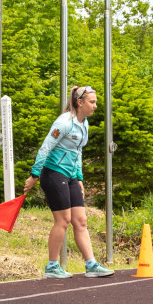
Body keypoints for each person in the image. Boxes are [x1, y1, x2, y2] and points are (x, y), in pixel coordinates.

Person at [23, 85, 114, 279]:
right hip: (53, 174)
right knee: (63, 221)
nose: (95, 106)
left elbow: (77, 151)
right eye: (92, 102)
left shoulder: (84, 123)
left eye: (96, 102)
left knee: (80, 220)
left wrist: (79, 178)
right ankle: (52, 266)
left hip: (71, 176)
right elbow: (45, 149)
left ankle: (91, 265)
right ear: (80, 102)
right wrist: (34, 175)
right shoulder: (64, 122)